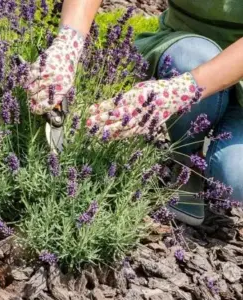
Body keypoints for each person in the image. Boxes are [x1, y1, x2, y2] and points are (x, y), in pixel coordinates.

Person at [25, 0, 243, 226]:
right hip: (187, 48)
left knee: (236, 181)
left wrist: (181, 90)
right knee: (192, 57)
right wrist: (68, 43)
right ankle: (188, 154)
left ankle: (210, 123)